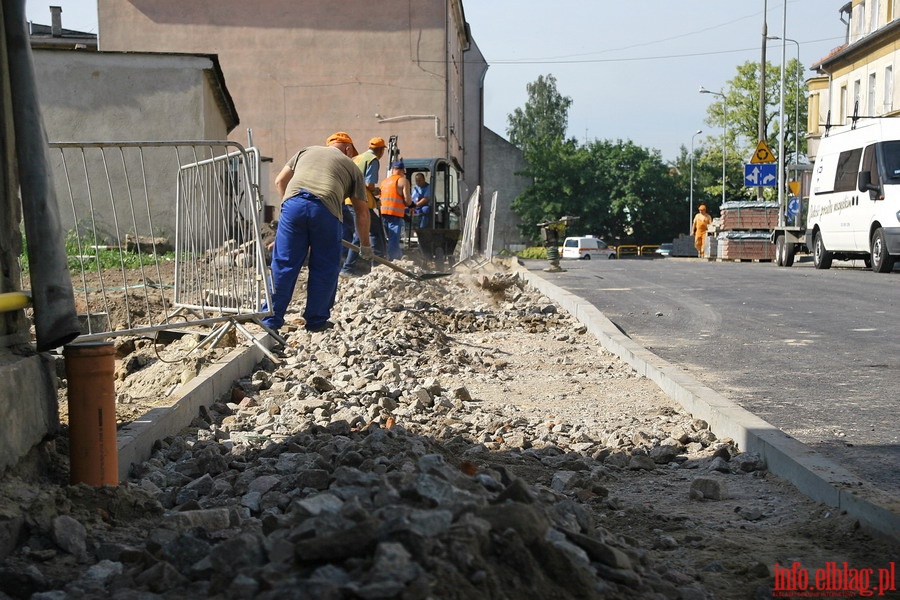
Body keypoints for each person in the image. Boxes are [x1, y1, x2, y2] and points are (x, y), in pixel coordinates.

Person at [262, 132, 371, 333]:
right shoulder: (352, 168)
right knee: (324, 267)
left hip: (292, 204)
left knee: (284, 263)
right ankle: (315, 322)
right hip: (325, 209)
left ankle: (269, 320)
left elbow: (279, 181)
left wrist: (290, 210)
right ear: (347, 149)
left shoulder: (306, 151)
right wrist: (365, 245)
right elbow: (361, 212)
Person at [341, 137, 387, 275]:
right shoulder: (372, 160)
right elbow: (369, 184)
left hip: (350, 199)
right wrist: (375, 191)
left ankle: (353, 267)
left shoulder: (358, 158)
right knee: (371, 232)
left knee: (365, 232)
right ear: (380, 150)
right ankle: (375, 267)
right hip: (361, 202)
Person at [379, 161, 412, 261]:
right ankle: (392, 260)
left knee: (389, 238)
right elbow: (408, 201)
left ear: (393, 170)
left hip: (383, 213)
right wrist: (411, 205)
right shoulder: (403, 181)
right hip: (395, 213)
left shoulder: (384, 181)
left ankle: (399, 257)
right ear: (402, 171)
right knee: (394, 238)